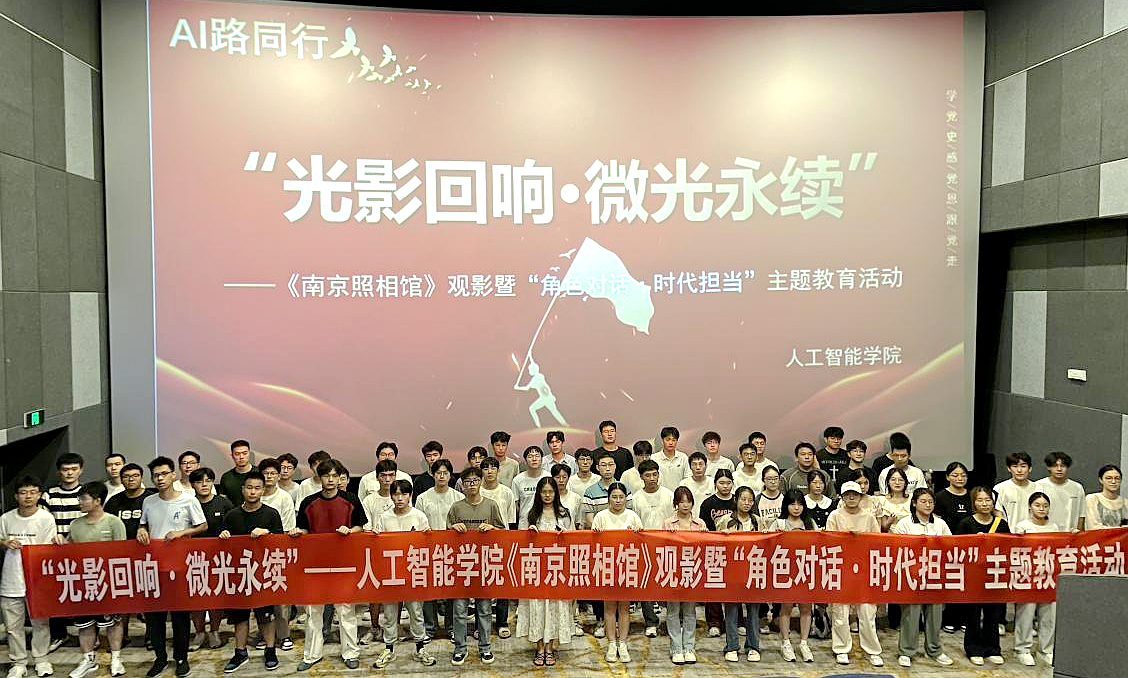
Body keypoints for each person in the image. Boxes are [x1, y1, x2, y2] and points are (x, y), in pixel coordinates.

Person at [292, 459, 366, 671]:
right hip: (315, 565)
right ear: (319, 477)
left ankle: (350, 653)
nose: (331, 480)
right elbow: (304, 529)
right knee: (313, 612)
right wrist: (298, 532)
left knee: (345, 611)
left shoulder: (350, 499)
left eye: (335, 476)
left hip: (344, 564)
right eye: (326, 476)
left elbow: (361, 526)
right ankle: (311, 655)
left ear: (340, 477)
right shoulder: (308, 502)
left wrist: (350, 531)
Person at [138, 457, 207, 678]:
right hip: (154, 566)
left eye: (164, 474)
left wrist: (182, 532)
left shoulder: (188, 500)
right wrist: (141, 530)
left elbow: (203, 525)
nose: (160, 478)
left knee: (179, 615)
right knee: (155, 617)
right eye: (156, 475)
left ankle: (181, 658)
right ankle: (160, 658)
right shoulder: (149, 501)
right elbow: (143, 524)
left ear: (173, 475)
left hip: (180, 567)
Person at [218, 471, 283, 673]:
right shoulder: (232, 515)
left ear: (263, 490)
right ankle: (240, 653)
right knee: (240, 616)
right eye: (249, 487)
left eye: (257, 488)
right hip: (239, 574)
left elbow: (281, 542)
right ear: (242, 490)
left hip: (264, 573)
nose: (252, 492)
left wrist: (267, 533)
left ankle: (270, 651)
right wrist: (223, 535)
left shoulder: (271, 514)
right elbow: (223, 546)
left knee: (266, 616)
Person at [370, 480, 437, 669]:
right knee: (390, 614)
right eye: (396, 494)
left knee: (416, 612)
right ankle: (389, 649)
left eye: (404, 494)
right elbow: (378, 545)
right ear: (391, 496)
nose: (400, 498)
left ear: (410, 496)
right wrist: (375, 535)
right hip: (391, 574)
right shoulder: (384, 517)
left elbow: (427, 545)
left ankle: (420, 648)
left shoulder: (419, 516)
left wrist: (427, 536)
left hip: (413, 573)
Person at [67, 483, 128, 678]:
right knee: (85, 624)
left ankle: (116, 659)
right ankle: (88, 660)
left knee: (113, 623)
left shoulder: (114, 522)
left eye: (84, 499)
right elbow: (69, 550)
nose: (80, 502)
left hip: (108, 582)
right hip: (84, 582)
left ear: (97, 501)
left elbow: (122, 554)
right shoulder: (75, 525)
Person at [446, 467, 504, 665]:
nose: (471, 485)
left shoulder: (491, 505)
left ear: (481, 482)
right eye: (467, 482)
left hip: (485, 564)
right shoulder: (456, 507)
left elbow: (503, 533)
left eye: (475, 481)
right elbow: (445, 537)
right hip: (461, 565)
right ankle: (460, 648)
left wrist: (493, 528)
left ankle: (485, 648)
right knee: (460, 610)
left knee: (485, 609)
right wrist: (453, 528)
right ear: (462, 485)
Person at [1, 476, 58, 678]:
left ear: (39, 495)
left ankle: (42, 660)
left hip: (37, 579)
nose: (28, 496)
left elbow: (49, 548)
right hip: (11, 578)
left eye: (33, 492)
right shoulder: (6, 518)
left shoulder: (46, 518)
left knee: (40, 623)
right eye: (23, 492)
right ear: (16, 496)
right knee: (13, 626)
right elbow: (0, 539)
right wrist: (5, 543)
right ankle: (18, 663)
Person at [893, 488, 954, 668]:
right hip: (912, 575)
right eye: (923, 501)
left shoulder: (940, 524)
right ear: (914, 503)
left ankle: (934, 650)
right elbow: (897, 548)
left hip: (935, 576)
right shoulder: (904, 523)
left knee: (935, 616)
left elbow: (951, 546)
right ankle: (906, 651)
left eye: (931, 502)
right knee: (911, 615)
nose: (928, 505)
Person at [517, 477, 574, 666]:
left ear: (556, 493)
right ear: (539, 494)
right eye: (544, 492)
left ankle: (550, 648)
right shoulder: (530, 514)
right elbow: (519, 541)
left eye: (551, 492)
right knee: (537, 607)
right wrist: (529, 534)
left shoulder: (564, 514)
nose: (547, 495)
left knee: (554, 607)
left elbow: (574, 540)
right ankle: (540, 647)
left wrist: (565, 535)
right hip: (536, 568)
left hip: (557, 568)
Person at [825, 481, 883, 667]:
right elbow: (829, 541)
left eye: (855, 494)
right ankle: (841, 649)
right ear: (842, 497)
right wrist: (847, 538)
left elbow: (878, 542)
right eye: (847, 494)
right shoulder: (834, 516)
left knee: (867, 613)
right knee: (840, 613)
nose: (851, 497)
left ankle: (872, 651)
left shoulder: (869, 517)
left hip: (864, 570)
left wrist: (861, 538)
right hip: (841, 569)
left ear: (860, 496)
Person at [956, 487, 1008, 666]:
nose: (984, 504)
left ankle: (993, 648)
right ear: (973, 503)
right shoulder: (966, 523)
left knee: (993, 614)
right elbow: (957, 549)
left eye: (988, 500)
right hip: (973, 576)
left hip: (995, 575)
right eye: (980, 500)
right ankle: (974, 648)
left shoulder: (1001, 524)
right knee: (973, 614)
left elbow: (1009, 547)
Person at [591, 483, 641, 663]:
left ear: (626, 498)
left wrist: (637, 533)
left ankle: (623, 643)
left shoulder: (633, 516)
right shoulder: (600, 517)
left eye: (621, 497)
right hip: (607, 567)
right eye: (614, 497)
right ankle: (612, 643)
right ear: (608, 498)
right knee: (609, 608)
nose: (618, 500)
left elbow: (642, 542)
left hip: (627, 567)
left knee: (624, 608)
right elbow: (592, 543)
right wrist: (596, 534)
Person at [417, 459, 464, 641]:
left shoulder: (458, 497)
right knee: (429, 591)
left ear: (450, 475)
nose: (442, 476)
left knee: (451, 591)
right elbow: (418, 523)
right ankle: (430, 628)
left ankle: (451, 627)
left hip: (452, 550)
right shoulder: (423, 498)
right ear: (432, 474)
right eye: (438, 473)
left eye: (445, 473)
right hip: (429, 549)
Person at [768, 490, 817, 662]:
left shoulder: (809, 523)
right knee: (786, 607)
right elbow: (768, 544)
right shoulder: (779, 523)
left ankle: (804, 643)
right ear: (786, 506)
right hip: (786, 570)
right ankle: (786, 642)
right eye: (792, 504)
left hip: (806, 569)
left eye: (799, 504)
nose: (796, 508)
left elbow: (819, 544)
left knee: (806, 608)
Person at [189, 468, 233, 651]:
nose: (204, 485)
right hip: (192, 558)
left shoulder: (223, 503)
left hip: (218, 558)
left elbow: (233, 525)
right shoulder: (188, 503)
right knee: (196, 598)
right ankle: (199, 632)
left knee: (216, 597)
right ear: (193, 485)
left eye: (208, 481)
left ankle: (215, 631)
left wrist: (227, 532)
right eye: (199, 481)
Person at [716, 486, 761, 663]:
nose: (747, 503)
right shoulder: (725, 520)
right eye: (743, 499)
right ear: (736, 500)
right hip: (732, 571)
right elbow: (715, 544)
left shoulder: (758, 521)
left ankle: (753, 646)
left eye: (750, 500)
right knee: (732, 610)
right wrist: (724, 536)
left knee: (753, 611)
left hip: (753, 571)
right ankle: (732, 646)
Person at [662, 487, 707, 665]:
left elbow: (707, 546)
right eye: (681, 502)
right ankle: (676, 648)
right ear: (676, 503)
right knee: (673, 611)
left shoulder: (700, 524)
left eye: (688, 501)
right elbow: (662, 547)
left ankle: (689, 647)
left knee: (689, 611)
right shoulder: (668, 523)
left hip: (692, 571)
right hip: (673, 571)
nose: (685, 505)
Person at [1012, 492, 1058, 666]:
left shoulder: (1054, 527)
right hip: (1028, 575)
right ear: (1030, 507)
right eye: (1037, 505)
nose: (1041, 509)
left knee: (1049, 615)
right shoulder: (1022, 526)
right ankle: (1022, 649)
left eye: (1045, 506)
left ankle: (1045, 650)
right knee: (1026, 613)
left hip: (1048, 576)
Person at [257, 459, 296, 651]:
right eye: (266, 473)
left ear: (279, 476)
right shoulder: (254, 495)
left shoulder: (284, 498)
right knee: (260, 598)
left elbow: (288, 528)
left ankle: (284, 635)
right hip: (256, 554)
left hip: (278, 553)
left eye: (273, 473)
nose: (269, 477)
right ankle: (264, 635)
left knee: (281, 599)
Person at [632, 459, 674, 638]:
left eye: (655, 474)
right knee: (646, 586)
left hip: (667, 546)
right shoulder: (636, 498)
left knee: (669, 584)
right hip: (644, 547)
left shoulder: (669, 495)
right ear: (641, 477)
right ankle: (650, 622)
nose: (652, 478)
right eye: (647, 475)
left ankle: (672, 620)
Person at [934, 461, 972, 634]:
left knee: (968, 584)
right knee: (951, 583)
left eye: (963, 475)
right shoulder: (940, 497)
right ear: (947, 477)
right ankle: (949, 618)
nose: (959, 478)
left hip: (970, 548)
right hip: (948, 547)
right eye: (955, 475)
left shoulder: (972, 495)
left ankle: (965, 619)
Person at [700, 469, 736, 638]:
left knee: (734, 587)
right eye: (721, 483)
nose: (725, 486)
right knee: (713, 586)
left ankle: (736, 621)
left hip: (735, 551)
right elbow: (704, 529)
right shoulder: (708, 504)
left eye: (728, 483)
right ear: (715, 484)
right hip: (713, 550)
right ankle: (714, 622)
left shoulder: (737, 501)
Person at [1032, 451, 1086, 531]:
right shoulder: (1038, 486)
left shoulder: (1077, 487)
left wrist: (1079, 533)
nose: (1059, 469)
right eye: (1055, 466)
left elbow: (1081, 515)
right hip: (1046, 533)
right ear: (1049, 467)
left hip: (1071, 534)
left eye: (1063, 466)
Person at [104, 463, 155, 539]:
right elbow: (106, 526)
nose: (131, 479)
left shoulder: (152, 499)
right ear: (121, 480)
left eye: (135, 476)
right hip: (121, 543)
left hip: (148, 543)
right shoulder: (113, 501)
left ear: (142, 478)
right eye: (126, 476)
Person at [993, 451, 1036, 523]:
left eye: (1023, 466)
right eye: (1015, 466)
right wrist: (1005, 528)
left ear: (1030, 468)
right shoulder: (999, 488)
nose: (1019, 470)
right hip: (1009, 529)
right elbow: (997, 512)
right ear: (1009, 468)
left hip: (1032, 529)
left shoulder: (1038, 488)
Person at [511, 446, 549, 523]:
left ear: (542, 459)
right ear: (525, 461)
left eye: (537, 456)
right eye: (530, 456)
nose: (534, 459)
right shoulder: (517, 480)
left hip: (546, 523)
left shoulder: (549, 477)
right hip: (524, 523)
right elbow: (515, 505)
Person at [219, 440, 257, 504]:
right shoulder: (226, 477)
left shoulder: (259, 473)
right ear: (232, 456)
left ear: (249, 454)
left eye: (245, 453)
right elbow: (222, 502)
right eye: (237, 454)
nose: (241, 457)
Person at [876, 467, 912, 532]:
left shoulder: (912, 499)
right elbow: (883, 528)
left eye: (901, 480)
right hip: (890, 536)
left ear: (905, 483)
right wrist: (889, 522)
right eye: (893, 480)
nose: (897, 482)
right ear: (888, 482)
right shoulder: (881, 501)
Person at [654, 427, 690, 491]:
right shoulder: (654, 458)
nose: (671, 443)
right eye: (668, 440)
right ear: (662, 441)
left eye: (674, 440)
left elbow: (687, 478)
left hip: (679, 494)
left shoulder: (683, 457)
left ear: (677, 441)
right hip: (660, 494)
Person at [816, 426, 849, 490]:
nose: (836, 441)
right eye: (832, 438)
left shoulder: (847, 455)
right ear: (826, 439)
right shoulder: (818, 455)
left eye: (839, 439)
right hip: (825, 490)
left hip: (844, 489)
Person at [752, 466, 783, 530]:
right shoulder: (757, 499)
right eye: (769, 479)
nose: (773, 482)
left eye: (776, 478)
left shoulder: (784, 498)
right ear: (763, 480)